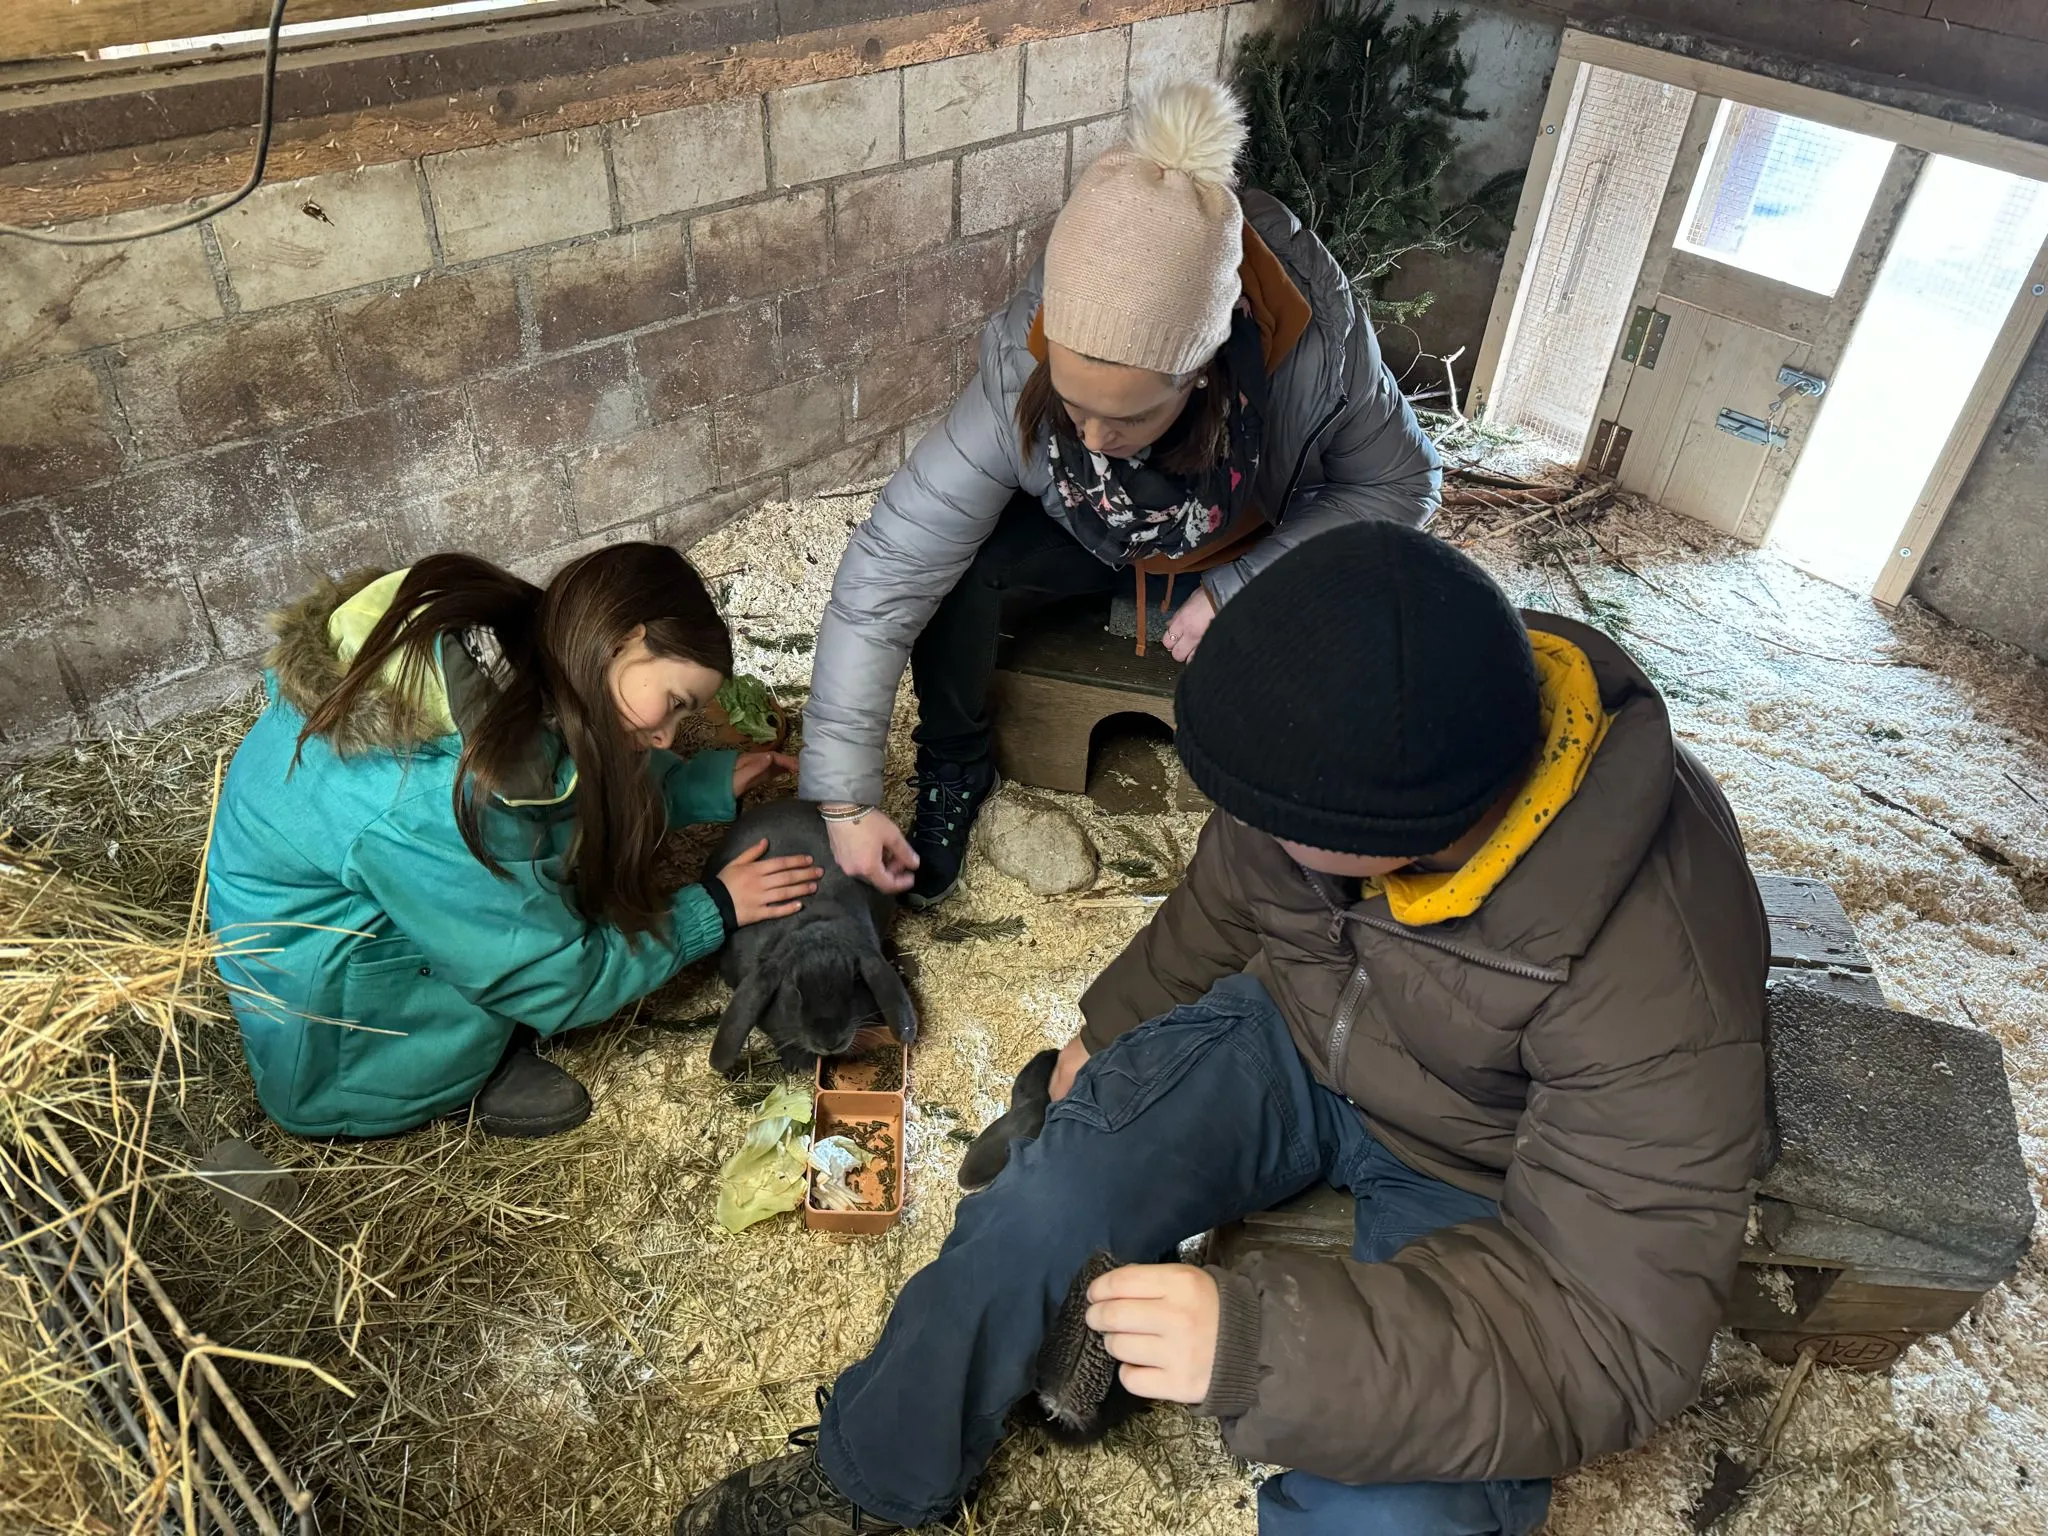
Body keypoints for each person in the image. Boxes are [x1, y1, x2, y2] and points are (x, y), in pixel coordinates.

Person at [672, 520, 1771, 1536]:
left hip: (1484, 1166)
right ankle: (874, 1474)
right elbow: (1227, 898)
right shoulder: (1349, 733)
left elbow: (1610, 1334)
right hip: (1295, 1031)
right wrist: (1104, 1036)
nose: (1241, 823)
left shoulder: (1659, 970)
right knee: (1050, 1193)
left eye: (1274, 817)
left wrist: (1255, 1348)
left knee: (1398, 1519)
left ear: (1399, 831)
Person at [800, 79, 1440, 907]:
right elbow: (890, 569)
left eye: (1130, 415)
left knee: (1370, 608)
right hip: (1092, 530)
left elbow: (1402, 481)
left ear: (1202, 372)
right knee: (959, 565)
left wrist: (1239, 586)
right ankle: (956, 763)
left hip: (1247, 537)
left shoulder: (1315, 344)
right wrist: (845, 801)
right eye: (1075, 408)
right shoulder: (1023, 361)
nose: (1096, 438)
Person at [207, 543, 821, 1141]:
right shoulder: (430, 798)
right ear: (623, 640)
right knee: (534, 962)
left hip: (371, 927)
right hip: (343, 1049)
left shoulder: (502, 652)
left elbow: (560, 772)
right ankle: (448, 1082)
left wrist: (694, 785)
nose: (666, 738)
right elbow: (557, 978)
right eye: (675, 704)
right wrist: (713, 908)